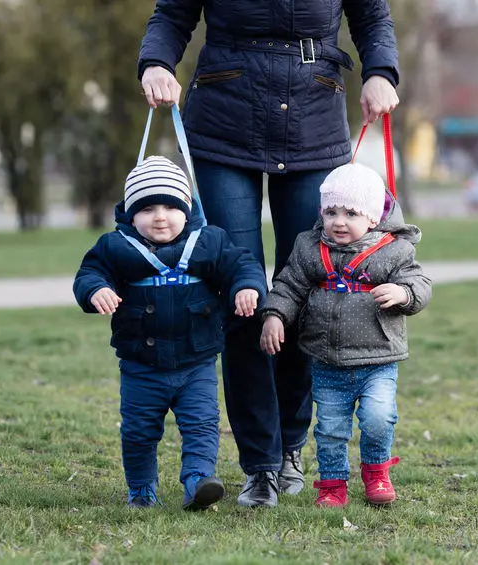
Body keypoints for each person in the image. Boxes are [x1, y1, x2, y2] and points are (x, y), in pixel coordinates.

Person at [138, 0, 401, 508]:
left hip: (314, 122)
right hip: (223, 121)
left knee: (305, 291)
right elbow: (172, 14)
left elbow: (372, 16)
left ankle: (291, 447)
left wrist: (380, 71)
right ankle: (259, 463)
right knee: (243, 294)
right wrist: (156, 62)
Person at [73, 156, 268, 510]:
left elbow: (242, 263)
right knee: (138, 433)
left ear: (187, 209)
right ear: (132, 214)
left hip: (196, 364)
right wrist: (95, 290)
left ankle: (198, 483)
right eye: (147, 208)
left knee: (202, 427)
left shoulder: (208, 242)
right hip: (141, 367)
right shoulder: (115, 247)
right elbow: (89, 273)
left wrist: (247, 287)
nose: (160, 216)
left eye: (169, 206)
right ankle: (142, 489)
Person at [259, 163, 431, 507]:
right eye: (331, 211)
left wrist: (403, 294)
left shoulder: (393, 250)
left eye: (351, 213)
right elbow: (289, 285)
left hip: (377, 359)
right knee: (331, 429)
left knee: (378, 419)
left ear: (371, 218)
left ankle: (376, 472)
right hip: (327, 360)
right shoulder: (310, 248)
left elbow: (419, 284)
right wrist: (275, 315)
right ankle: (333, 485)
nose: (339, 221)